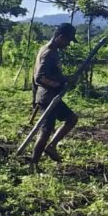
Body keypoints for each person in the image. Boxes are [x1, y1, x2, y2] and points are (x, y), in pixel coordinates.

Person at [31, 22, 79, 168]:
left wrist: (64, 80)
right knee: (45, 130)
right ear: (60, 37)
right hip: (47, 97)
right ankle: (33, 164)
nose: (68, 44)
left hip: (51, 97)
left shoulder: (52, 51)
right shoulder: (48, 53)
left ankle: (51, 146)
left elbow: (51, 74)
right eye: (68, 40)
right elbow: (40, 77)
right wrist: (60, 83)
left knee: (71, 119)